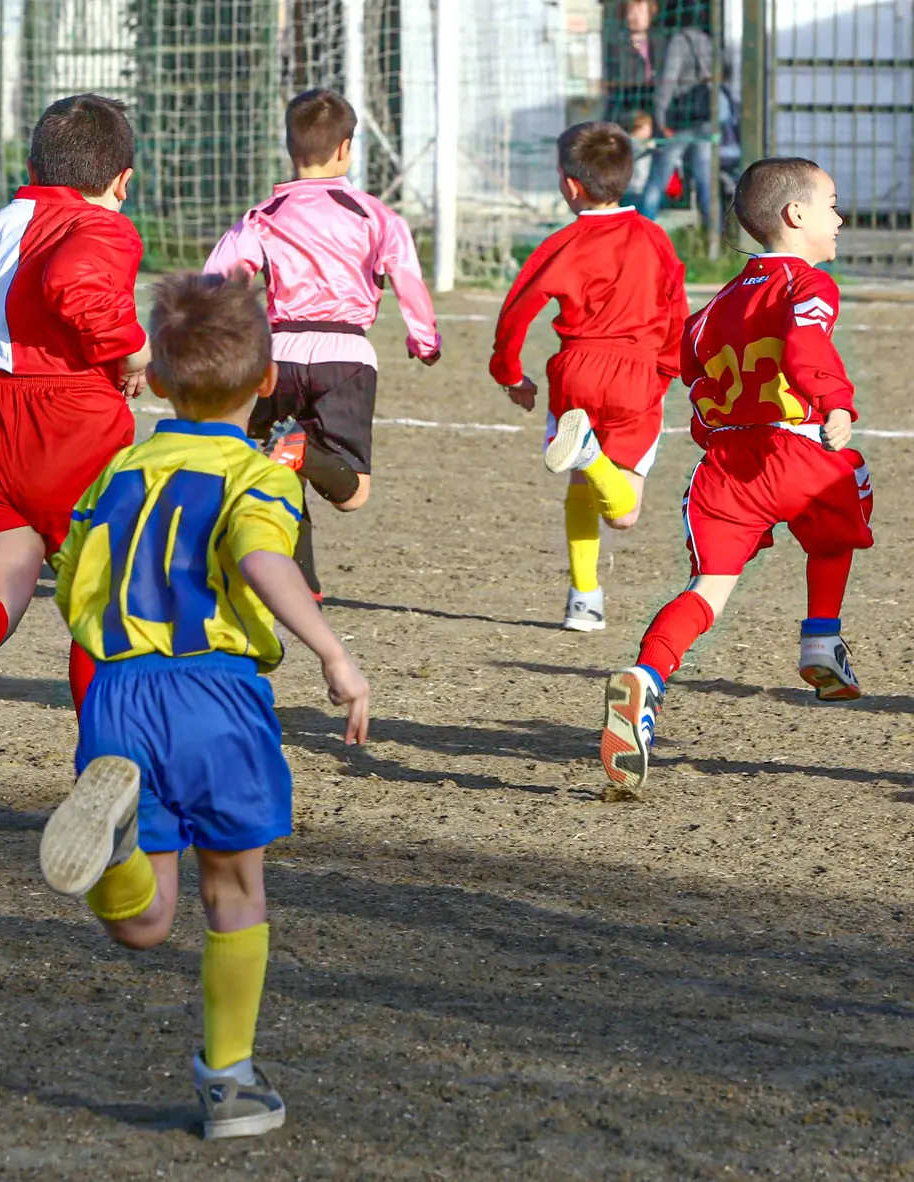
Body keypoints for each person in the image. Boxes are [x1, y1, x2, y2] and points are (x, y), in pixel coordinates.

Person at [38, 272, 371, 1140]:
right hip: (215, 694)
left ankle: (114, 854)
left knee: (145, 921)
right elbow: (264, 562)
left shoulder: (118, 469)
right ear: (267, 383)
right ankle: (228, 1082)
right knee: (235, 886)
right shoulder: (255, 476)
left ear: (153, 380)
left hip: (116, 696)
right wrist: (332, 651)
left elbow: (73, 572)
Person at [600, 157, 872, 798]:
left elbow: (689, 371)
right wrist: (835, 402)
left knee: (707, 589)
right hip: (798, 451)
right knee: (847, 498)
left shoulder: (714, 305)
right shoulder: (807, 286)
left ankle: (646, 679)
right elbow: (807, 349)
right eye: (831, 203)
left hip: (724, 467)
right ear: (795, 215)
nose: (840, 217)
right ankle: (821, 640)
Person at [0, 93, 149, 725]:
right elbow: (76, 286)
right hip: (72, 426)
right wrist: (135, 356)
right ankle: (107, 760)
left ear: (34, 168)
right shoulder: (102, 224)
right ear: (122, 180)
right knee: (108, 611)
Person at [205, 88, 441, 601]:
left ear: (290, 147)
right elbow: (406, 274)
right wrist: (425, 340)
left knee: (280, 472)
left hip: (279, 355)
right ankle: (301, 456)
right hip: (346, 356)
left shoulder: (261, 215)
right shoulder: (374, 214)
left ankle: (303, 582)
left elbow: (216, 281)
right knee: (352, 493)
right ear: (346, 148)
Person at [490, 122, 688, 631]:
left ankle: (585, 598)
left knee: (581, 483)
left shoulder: (563, 242)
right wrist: (672, 368)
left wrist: (509, 372)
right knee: (623, 513)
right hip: (635, 376)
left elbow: (517, 310)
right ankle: (590, 460)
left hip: (575, 372)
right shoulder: (655, 238)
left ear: (571, 185)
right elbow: (676, 310)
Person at [641, 6, 715, 230]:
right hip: (704, 120)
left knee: (657, 180)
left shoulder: (679, 41)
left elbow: (668, 80)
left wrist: (660, 116)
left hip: (679, 121)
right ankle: (715, 239)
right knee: (705, 182)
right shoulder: (707, 41)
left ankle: (642, 231)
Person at [602, 0, 662, 125]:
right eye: (631, 11)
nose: (635, 16)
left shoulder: (659, 41)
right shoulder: (617, 43)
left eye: (640, 11)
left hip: (654, 104)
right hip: (627, 108)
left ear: (650, 14)